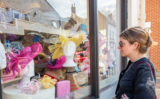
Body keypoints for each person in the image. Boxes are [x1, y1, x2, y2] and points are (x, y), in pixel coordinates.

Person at [115, 26, 156, 99]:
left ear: (135, 45)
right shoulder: (133, 63)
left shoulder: (144, 68)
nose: (118, 47)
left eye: (121, 44)